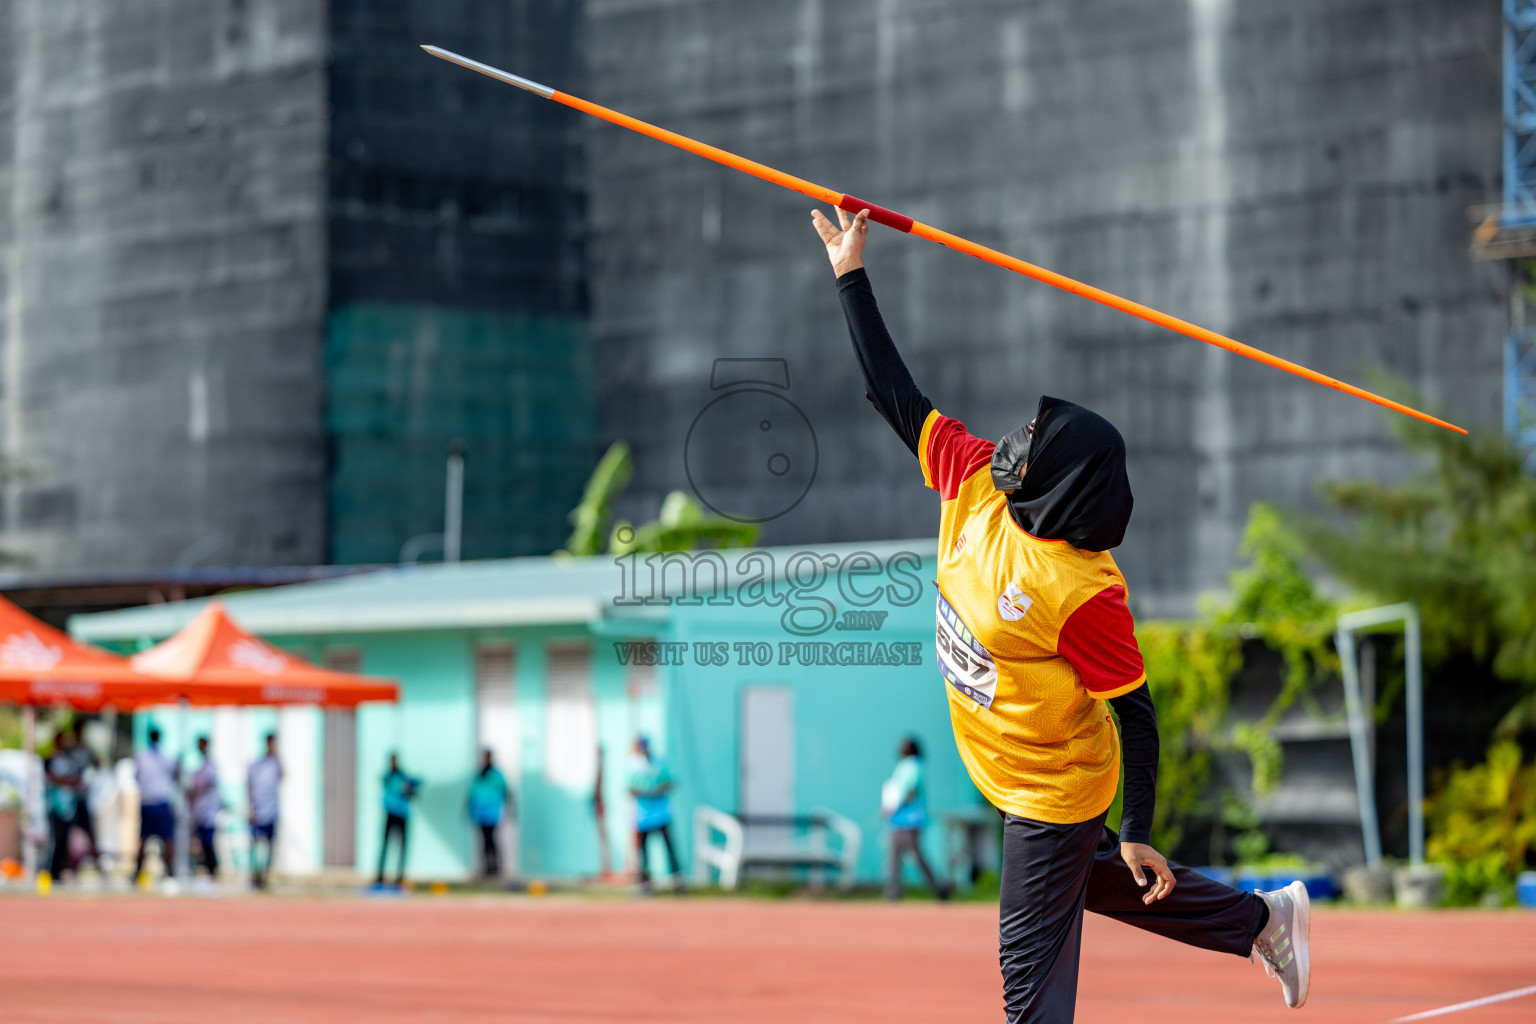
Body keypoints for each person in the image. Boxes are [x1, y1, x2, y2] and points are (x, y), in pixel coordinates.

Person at [811, 206, 1311, 1020]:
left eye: (1035, 440)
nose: (1013, 439)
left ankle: (1253, 918)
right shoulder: (973, 481)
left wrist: (1140, 824)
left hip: (1052, 791)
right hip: (1006, 766)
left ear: (1063, 486)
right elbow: (890, 391)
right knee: (1101, 886)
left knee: (1027, 990)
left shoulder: (1080, 592)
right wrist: (850, 272)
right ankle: (1262, 920)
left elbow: (1136, 714)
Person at [881, 736, 949, 901]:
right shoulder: (905, 766)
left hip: (910, 818)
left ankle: (939, 888)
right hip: (899, 819)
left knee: (914, 857)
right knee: (895, 856)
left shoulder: (914, 766)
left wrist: (893, 807)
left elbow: (910, 791)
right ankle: (893, 892)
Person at [45, 722, 99, 881]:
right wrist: (70, 782)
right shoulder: (52, 759)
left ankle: (64, 870)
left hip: (70, 805)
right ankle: (53, 871)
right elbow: (54, 778)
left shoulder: (72, 756)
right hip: (57, 806)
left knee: (72, 838)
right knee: (58, 840)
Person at [627, 737, 681, 893]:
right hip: (643, 816)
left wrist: (655, 791)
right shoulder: (633, 765)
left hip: (661, 814)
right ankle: (645, 886)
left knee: (670, 849)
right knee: (644, 852)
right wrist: (647, 792)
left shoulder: (660, 762)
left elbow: (671, 782)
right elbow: (630, 789)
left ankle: (678, 884)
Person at [133, 727, 179, 882]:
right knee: (167, 839)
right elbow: (176, 776)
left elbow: (137, 778)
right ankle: (169, 871)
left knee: (145, 839)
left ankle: (138, 871)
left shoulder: (142, 758)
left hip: (148, 803)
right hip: (160, 802)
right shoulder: (166, 759)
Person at [467, 749, 513, 880]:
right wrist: (469, 810)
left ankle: (496, 867)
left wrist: (510, 810)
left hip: (492, 812)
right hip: (480, 813)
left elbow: (506, 792)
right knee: (484, 841)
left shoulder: (497, 775)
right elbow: (472, 794)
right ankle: (486, 868)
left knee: (492, 839)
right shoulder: (479, 775)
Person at [377, 753, 420, 886]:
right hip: (390, 813)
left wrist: (410, 788)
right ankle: (380, 876)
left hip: (402, 814)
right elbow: (384, 784)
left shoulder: (404, 777)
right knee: (385, 845)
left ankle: (399, 876)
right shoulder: (388, 777)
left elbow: (412, 793)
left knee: (402, 846)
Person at [246, 733, 282, 890]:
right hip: (258, 811)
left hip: (271, 811)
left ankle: (265, 876)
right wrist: (251, 808)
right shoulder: (257, 765)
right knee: (255, 844)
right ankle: (255, 875)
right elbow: (249, 786)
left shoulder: (275, 764)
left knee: (269, 846)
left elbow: (283, 775)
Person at [187, 736, 224, 880]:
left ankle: (213, 873)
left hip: (208, 813)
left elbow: (203, 786)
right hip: (198, 813)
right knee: (198, 845)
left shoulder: (210, 766)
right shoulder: (200, 767)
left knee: (208, 844)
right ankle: (203, 872)